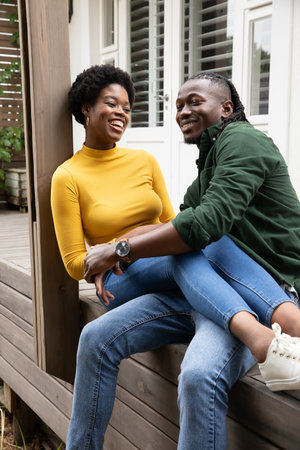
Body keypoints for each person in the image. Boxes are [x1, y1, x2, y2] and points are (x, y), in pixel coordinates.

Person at [50, 65, 299, 449]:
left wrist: (121, 248)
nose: (182, 111)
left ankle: (282, 321)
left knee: (199, 373)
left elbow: (195, 227)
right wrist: (122, 244)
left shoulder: (243, 141)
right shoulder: (206, 167)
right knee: (96, 335)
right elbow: (183, 223)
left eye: (194, 102)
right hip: (204, 286)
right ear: (85, 109)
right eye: (178, 105)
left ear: (227, 108)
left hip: (259, 287)